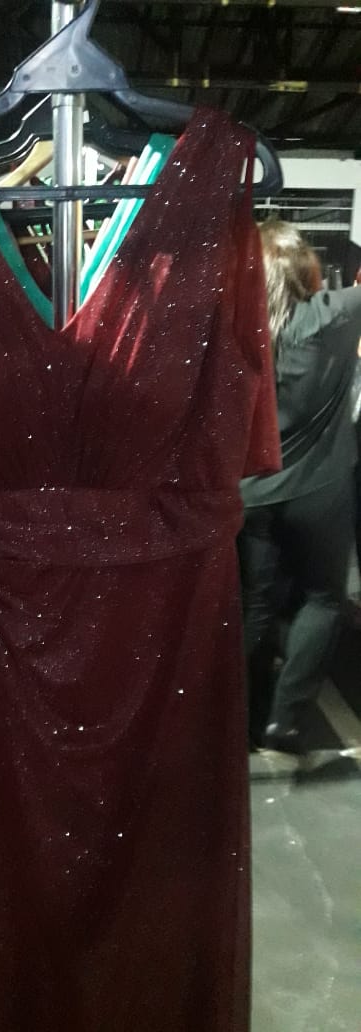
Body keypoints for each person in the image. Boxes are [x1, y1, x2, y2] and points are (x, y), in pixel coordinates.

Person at [239, 220, 361, 754]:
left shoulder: (233, 332)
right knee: (323, 599)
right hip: (320, 491)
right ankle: (284, 721)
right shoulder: (334, 314)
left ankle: (243, 719)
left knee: (256, 606)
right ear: (302, 268)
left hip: (252, 494)